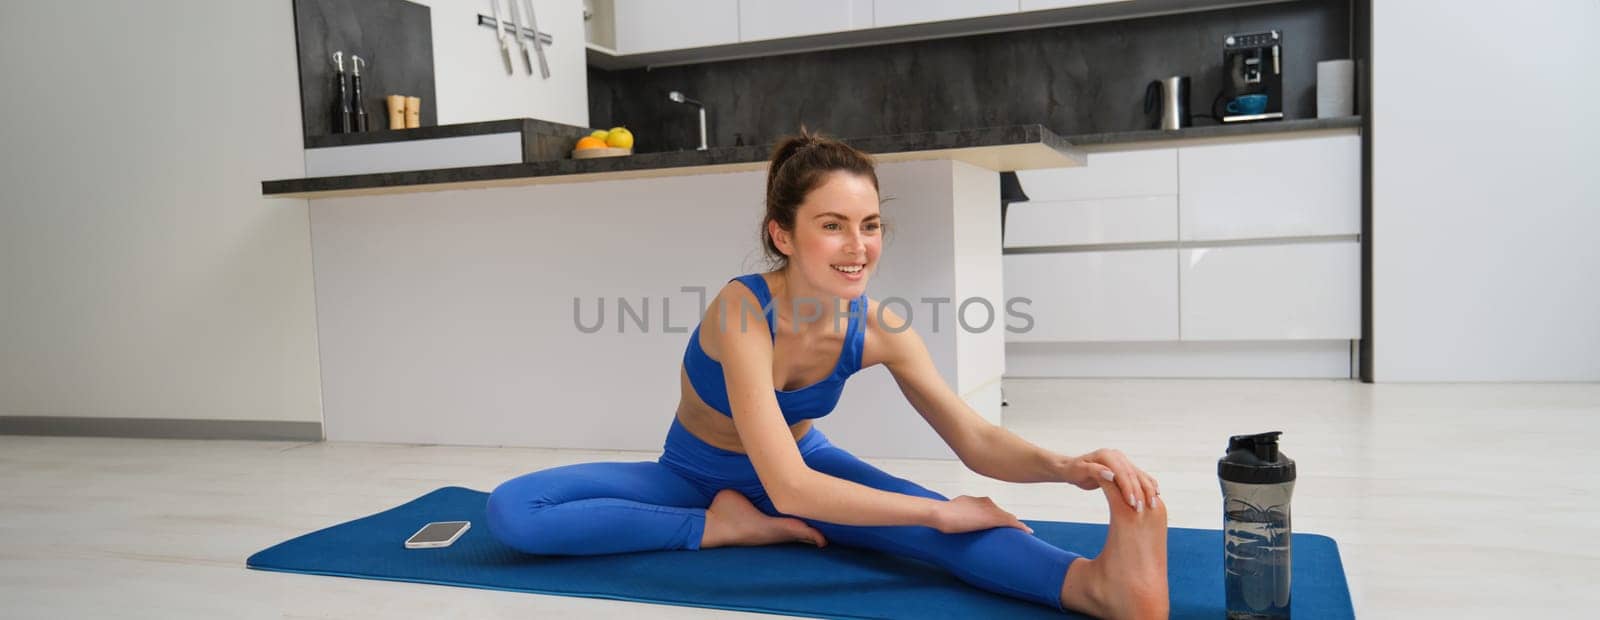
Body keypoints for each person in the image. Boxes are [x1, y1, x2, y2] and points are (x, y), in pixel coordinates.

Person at [485, 128, 1170, 618]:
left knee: (947, 532)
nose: (858, 247)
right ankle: (724, 528)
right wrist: (939, 505)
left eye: (869, 225)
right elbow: (788, 485)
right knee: (515, 512)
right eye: (833, 225)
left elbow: (974, 439)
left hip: (810, 471)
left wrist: (1069, 466)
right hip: (692, 476)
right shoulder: (741, 310)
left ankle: (1095, 587)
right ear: (782, 235)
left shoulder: (879, 328)